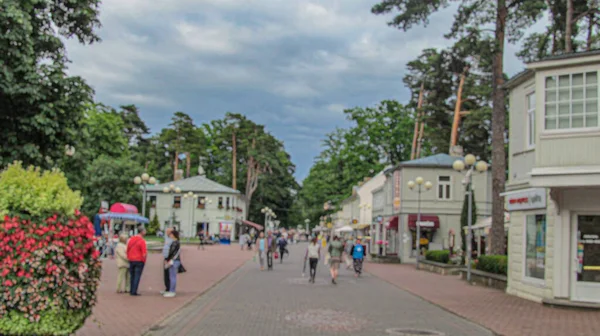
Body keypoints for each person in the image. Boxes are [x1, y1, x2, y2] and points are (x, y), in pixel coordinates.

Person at [127, 227, 147, 296]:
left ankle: (131, 289)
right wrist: (144, 260)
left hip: (131, 259)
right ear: (142, 232)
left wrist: (129, 257)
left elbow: (128, 249)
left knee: (132, 276)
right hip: (139, 260)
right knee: (137, 276)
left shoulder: (131, 239)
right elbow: (144, 253)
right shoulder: (142, 241)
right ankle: (134, 291)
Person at [164, 229, 181, 297]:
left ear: (173, 235)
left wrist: (167, 259)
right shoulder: (177, 242)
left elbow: (171, 252)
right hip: (175, 260)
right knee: (172, 276)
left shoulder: (174, 243)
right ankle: (171, 290)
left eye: (171, 234)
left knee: (172, 276)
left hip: (173, 261)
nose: (170, 235)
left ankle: (172, 291)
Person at [161, 227, 173, 294]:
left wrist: (169, 259)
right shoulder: (166, 238)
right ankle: (167, 288)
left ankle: (170, 288)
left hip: (170, 258)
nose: (166, 232)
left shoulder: (173, 239)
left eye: (168, 231)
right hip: (166, 258)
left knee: (169, 273)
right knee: (165, 273)